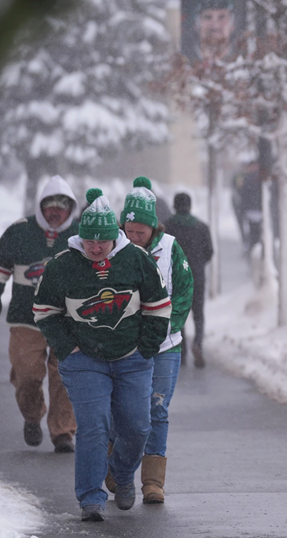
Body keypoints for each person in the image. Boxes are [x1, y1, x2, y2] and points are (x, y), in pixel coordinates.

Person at [33, 188, 171, 522]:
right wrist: (68, 348)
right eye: (89, 241)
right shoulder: (63, 265)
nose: (95, 248)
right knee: (94, 426)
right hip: (84, 361)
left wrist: (146, 347)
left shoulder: (136, 259)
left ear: (115, 237)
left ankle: (121, 474)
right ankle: (91, 497)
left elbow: (158, 305)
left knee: (137, 427)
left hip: (132, 359)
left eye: (102, 242)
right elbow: (44, 310)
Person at [114, 177, 192, 504]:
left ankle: (153, 482)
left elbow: (184, 292)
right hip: (124, 345)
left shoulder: (171, 248)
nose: (134, 237)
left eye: (140, 232)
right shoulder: (113, 246)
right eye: (129, 230)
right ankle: (117, 466)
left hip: (165, 345)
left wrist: (164, 327)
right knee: (124, 410)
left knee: (156, 409)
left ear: (153, 227)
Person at [0, 175, 78, 453]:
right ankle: (32, 415)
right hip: (26, 317)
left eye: (62, 207)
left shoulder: (81, 235)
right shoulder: (20, 231)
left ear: (71, 209)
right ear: (41, 207)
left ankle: (63, 431)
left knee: (66, 375)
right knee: (26, 373)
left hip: (67, 320)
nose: (55, 212)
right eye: (50, 206)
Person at [165, 191, 213, 368]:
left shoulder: (167, 227)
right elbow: (209, 252)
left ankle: (182, 350)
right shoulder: (201, 227)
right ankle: (198, 343)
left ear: (174, 206)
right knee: (198, 313)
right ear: (190, 206)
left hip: (177, 277)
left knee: (179, 313)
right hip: (197, 276)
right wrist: (198, 264)